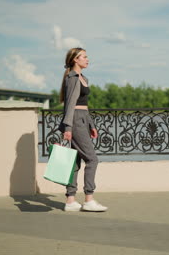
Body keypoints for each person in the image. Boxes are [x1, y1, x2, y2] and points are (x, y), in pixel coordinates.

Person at [58, 47, 107, 212]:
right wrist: (68, 127)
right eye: (84, 57)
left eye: (87, 56)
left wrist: (91, 125)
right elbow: (70, 105)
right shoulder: (72, 78)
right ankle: (88, 199)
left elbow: (84, 106)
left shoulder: (83, 77)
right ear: (75, 60)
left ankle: (70, 201)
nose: (87, 59)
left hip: (83, 120)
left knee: (75, 162)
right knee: (92, 159)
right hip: (76, 121)